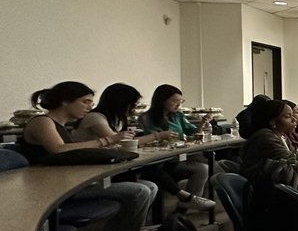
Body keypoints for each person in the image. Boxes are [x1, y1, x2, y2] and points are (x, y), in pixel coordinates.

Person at [17, 81, 157, 231]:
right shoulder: (42, 122)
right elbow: (58, 149)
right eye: (85, 101)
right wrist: (106, 141)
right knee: (139, 190)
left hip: (68, 183)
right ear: (65, 101)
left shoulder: (61, 125)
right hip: (52, 190)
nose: (89, 107)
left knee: (150, 186)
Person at [78, 83, 215, 211]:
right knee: (152, 172)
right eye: (133, 104)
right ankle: (186, 198)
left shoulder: (117, 119)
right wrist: (158, 136)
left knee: (204, 165)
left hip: (111, 163)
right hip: (92, 170)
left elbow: (124, 141)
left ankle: (187, 200)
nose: (133, 108)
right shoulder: (95, 118)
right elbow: (119, 142)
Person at [239, 99, 298, 231]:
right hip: (267, 206)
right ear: (272, 121)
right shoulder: (265, 137)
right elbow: (296, 161)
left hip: (274, 196)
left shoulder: (282, 137)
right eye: (288, 116)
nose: (295, 119)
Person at [139, 84, 207, 141]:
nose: (178, 105)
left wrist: (202, 122)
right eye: (175, 101)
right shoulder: (146, 118)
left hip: (180, 150)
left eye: (180, 101)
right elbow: (152, 139)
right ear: (162, 100)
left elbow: (194, 133)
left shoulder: (178, 115)